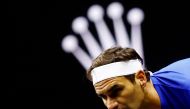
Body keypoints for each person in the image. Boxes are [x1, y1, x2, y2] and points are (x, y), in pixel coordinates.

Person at [86, 46, 190, 109]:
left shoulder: (186, 88)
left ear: (141, 78)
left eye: (116, 91)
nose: (110, 106)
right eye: (103, 97)